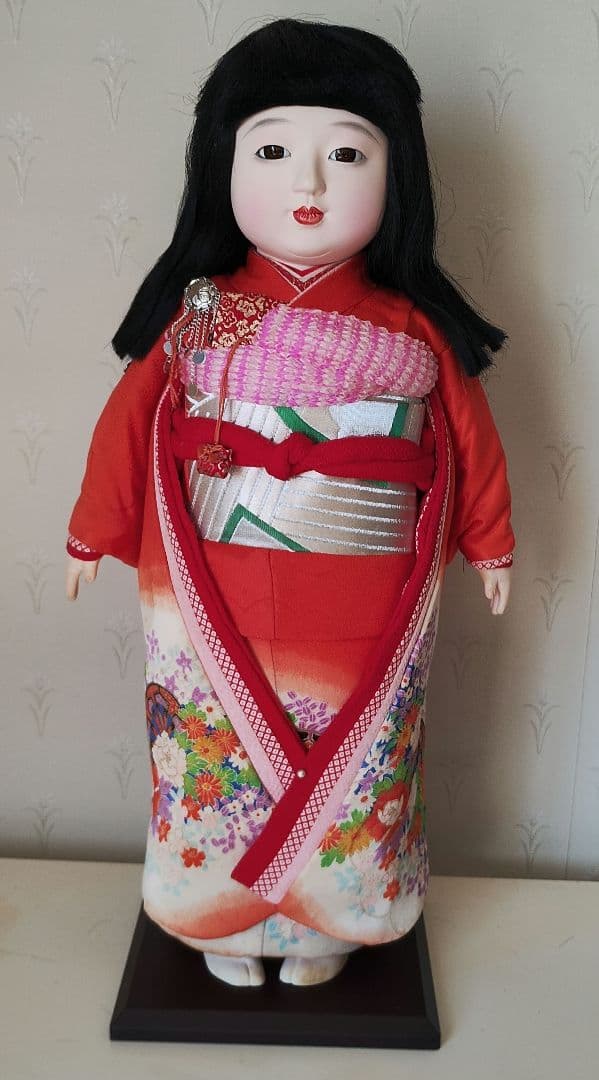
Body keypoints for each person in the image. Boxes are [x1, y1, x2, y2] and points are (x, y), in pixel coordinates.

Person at [66, 19, 513, 987]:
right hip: (213, 576)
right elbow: (131, 417)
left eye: (347, 154)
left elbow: (467, 438)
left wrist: (489, 543)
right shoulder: (202, 308)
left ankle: (328, 927)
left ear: (397, 175)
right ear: (220, 167)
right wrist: (91, 532)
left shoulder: (410, 324)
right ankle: (219, 925)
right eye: (270, 150)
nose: (308, 182)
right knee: (212, 748)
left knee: (357, 749)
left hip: (362, 587)